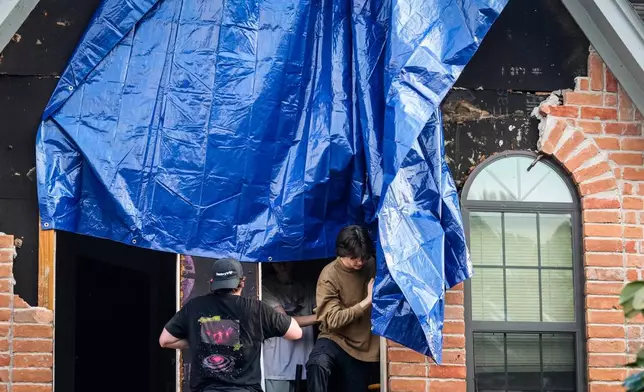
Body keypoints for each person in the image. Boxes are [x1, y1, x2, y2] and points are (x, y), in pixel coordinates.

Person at [160, 258, 303, 392]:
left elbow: (165, 340)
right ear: (242, 282)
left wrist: (198, 339)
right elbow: (296, 332)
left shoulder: (194, 306)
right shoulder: (255, 309)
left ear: (212, 282)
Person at [306, 225, 379, 392]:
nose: (360, 262)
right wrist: (367, 301)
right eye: (354, 257)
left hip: (363, 348)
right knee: (317, 363)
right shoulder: (329, 275)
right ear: (342, 253)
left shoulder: (372, 265)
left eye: (364, 257)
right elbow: (332, 320)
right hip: (335, 338)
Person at [262, 262, 318, 392]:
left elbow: (324, 306)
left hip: (304, 361)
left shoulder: (307, 285)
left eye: (286, 260)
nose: (282, 265)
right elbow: (284, 321)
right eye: (277, 261)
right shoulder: (264, 285)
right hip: (276, 365)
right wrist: (321, 317)